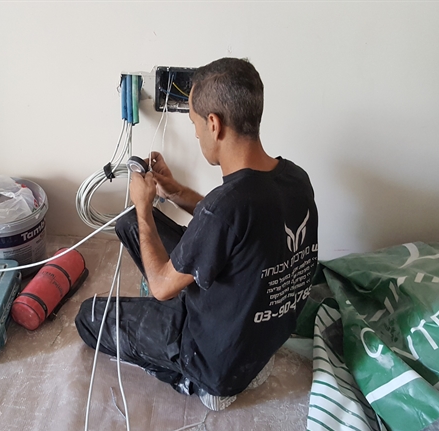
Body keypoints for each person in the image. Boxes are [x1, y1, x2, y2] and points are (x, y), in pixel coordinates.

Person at [75, 57, 319, 411]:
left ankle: (195, 380)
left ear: (214, 124)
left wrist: (144, 207)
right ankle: (212, 336)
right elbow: (231, 225)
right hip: (260, 335)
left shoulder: (225, 207)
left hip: (213, 359)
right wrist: (174, 191)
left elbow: (161, 287)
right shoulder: (295, 178)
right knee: (128, 224)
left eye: (194, 123)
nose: (195, 133)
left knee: (88, 317)